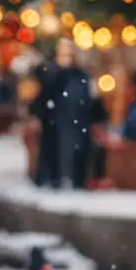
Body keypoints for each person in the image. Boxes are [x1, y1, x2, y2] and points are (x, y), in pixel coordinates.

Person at [34, 38, 93, 189]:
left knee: (74, 151)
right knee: (57, 150)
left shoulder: (79, 75)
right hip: (56, 121)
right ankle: (56, 178)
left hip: (76, 120)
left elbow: (85, 99)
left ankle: (74, 179)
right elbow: (44, 97)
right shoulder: (51, 73)